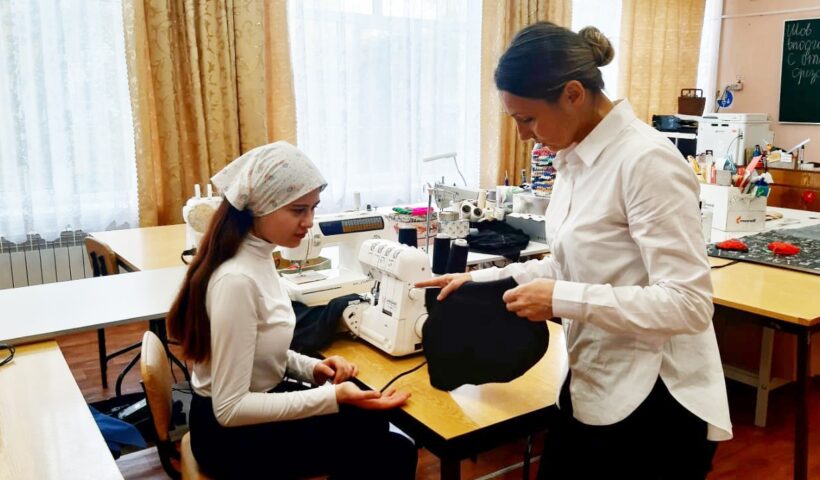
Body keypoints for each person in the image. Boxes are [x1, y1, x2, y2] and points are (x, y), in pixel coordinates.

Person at [418, 22, 732, 479]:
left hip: (656, 400)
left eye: (527, 119)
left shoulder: (646, 162)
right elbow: (571, 263)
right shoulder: (574, 158)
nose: (523, 135)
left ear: (572, 94)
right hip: (596, 379)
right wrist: (478, 280)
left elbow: (689, 303)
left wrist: (561, 299)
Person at [167, 141, 417, 479]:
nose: (309, 222)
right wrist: (332, 396)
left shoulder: (259, 257)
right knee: (392, 450)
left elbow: (259, 350)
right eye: (298, 210)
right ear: (260, 207)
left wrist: (312, 369)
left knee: (371, 422)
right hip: (228, 437)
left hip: (246, 410)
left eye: (313, 208)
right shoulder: (237, 280)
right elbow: (230, 408)